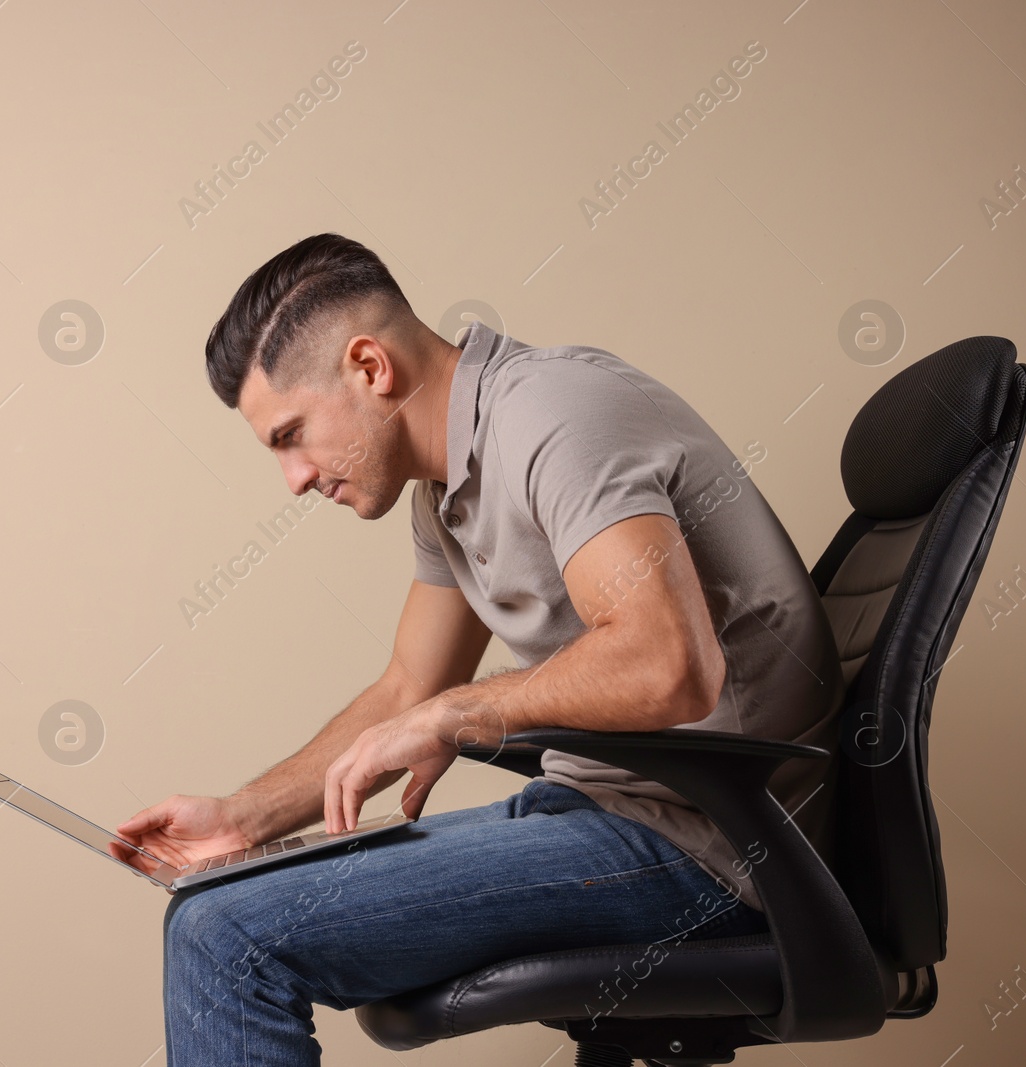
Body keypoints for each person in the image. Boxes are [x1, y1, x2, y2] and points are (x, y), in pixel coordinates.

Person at [114, 233, 844, 1065]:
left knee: (226, 934)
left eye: (290, 435)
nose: (294, 478)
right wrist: (240, 820)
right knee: (214, 900)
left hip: (713, 849)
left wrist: (456, 715)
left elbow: (668, 665)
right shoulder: (446, 490)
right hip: (609, 813)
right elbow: (408, 688)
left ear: (368, 367)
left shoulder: (553, 418)